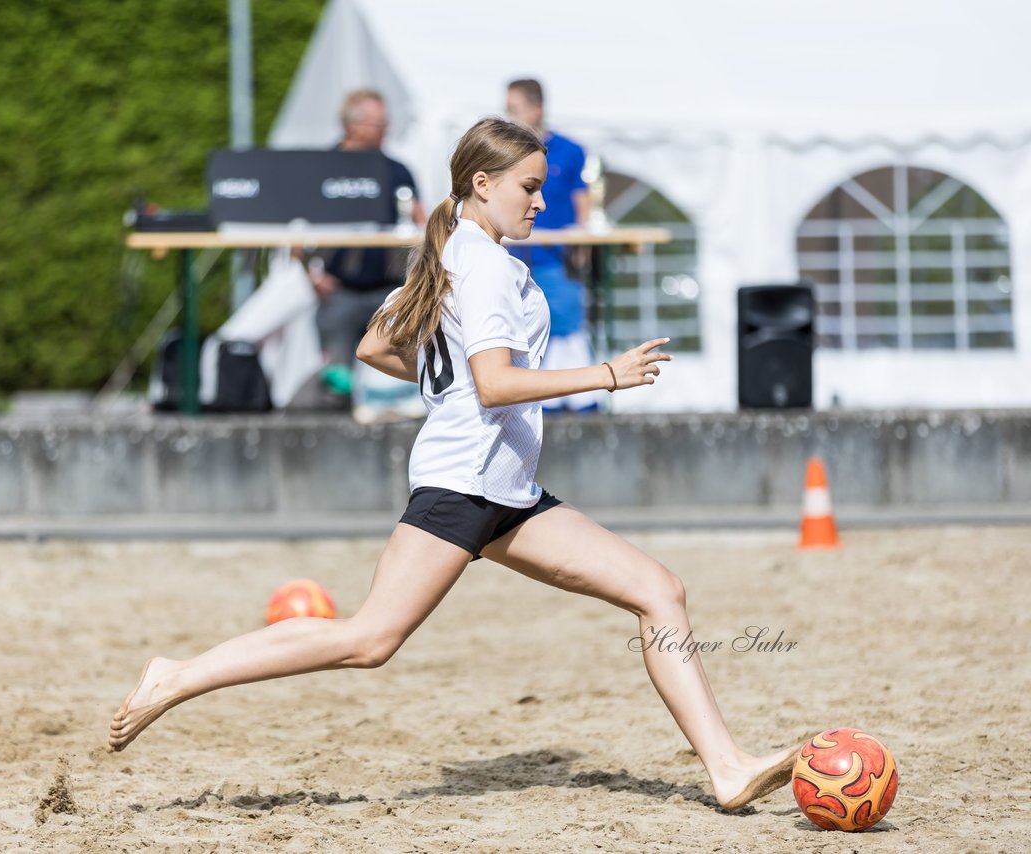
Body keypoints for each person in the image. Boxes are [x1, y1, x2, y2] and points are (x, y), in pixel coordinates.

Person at [110, 117, 801, 811]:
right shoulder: (484, 266)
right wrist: (604, 376)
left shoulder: (454, 255)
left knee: (658, 589)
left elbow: (377, 345)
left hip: (507, 490)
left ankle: (727, 766)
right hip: (463, 484)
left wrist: (446, 383)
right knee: (368, 638)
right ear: (482, 183)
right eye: (529, 188)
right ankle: (177, 675)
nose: (540, 202)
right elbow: (495, 383)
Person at [310, 89, 427, 375]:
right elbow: (299, 227)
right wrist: (311, 276)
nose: (385, 130)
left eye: (386, 122)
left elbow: (421, 220)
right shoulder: (320, 168)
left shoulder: (397, 170)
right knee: (337, 375)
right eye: (378, 123)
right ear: (353, 125)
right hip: (339, 289)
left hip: (389, 289)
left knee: (393, 373)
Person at [505, 78, 598, 412]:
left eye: (514, 109)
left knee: (565, 328)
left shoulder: (570, 151)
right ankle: (538, 403)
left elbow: (582, 201)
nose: (509, 116)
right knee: (523, 335)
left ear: (536, 108)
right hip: (515, 257)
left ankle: (581, 403)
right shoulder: (507, 153)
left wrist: (581, 247)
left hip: (556, 258)